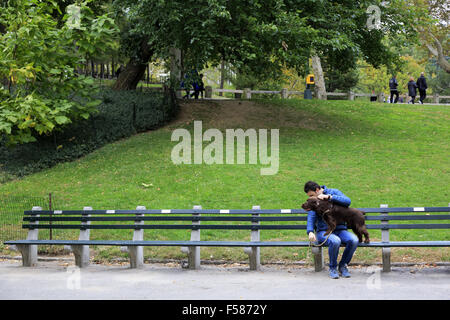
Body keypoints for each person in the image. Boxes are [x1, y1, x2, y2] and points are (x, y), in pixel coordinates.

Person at [303, 181, 359, 279]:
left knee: (354, 240)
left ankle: (343, 265)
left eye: (312, 195)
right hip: (323, 232)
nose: (311, 197)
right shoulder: (314, 201)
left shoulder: (333, 192)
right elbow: (311, 216)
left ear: (317, 190)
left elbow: (347, 201)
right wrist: (310, 231)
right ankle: (333, 267)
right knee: (335, 241)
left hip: (340, 230)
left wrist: (329, 197)